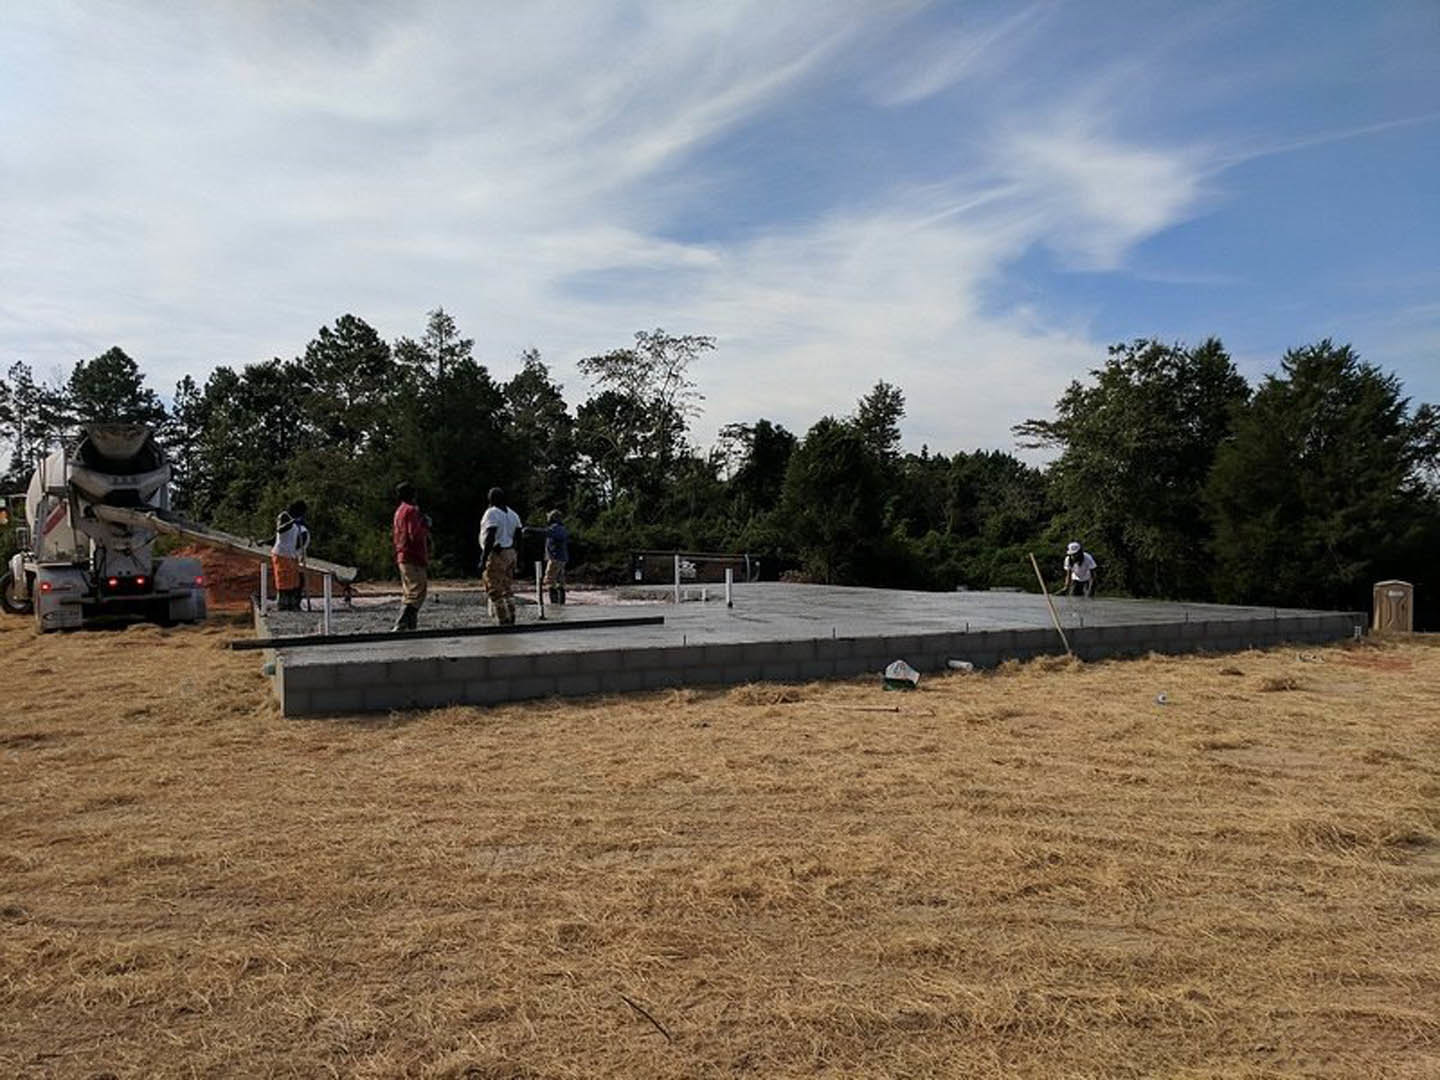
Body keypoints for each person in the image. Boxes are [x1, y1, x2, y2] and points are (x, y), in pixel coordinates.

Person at [478, 487, 523, 625]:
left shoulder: (492, 513)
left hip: (497, 552)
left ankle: (502, 619)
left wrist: (483, 557)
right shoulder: (513, 514)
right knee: (507, 586)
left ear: (491, 499)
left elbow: (490, 535)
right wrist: (517, 555)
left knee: (494, 588)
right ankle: (512, 615)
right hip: (510, 552)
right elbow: (519, 536)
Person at [391, 482, 430, 632]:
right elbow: (414, 534)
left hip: (402, 555)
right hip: (413, 556)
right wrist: (425, 525)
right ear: (412, 495)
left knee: (409, 592)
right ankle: (401, 623)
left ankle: (411, 627)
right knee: (418, 592)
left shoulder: (399, 511)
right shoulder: (412, 511)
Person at [271, 500, 310, 611]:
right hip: (281, 554)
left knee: (295, 581)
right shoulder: (284, 516)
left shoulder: (299, 524)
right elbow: (280, 529)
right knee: (284, 581)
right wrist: (292, 521)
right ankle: (283, 605)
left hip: (291, 555)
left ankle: (293, 604)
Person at [542, 509, 569, 605]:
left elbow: (546, 532)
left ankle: (554, 604)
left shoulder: (556, 528)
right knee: (559, 581)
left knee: (549, 580)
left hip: (555, 558)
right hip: (561, 558)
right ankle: (561, 604)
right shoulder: (561, 528)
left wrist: (530, 530)